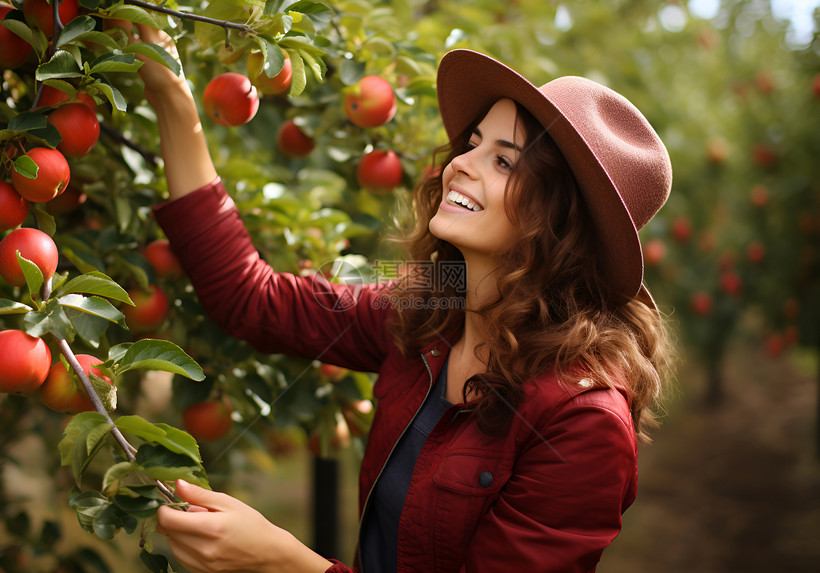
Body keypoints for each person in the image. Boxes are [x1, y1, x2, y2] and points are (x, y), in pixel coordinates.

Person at [131, 22, 675, 573]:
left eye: (504, 160)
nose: (461, 163)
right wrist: (172, 96)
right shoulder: (430, 314)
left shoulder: (583, 424)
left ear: (560, 222)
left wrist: (283, 561)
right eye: (474, 143)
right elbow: (251, 298)